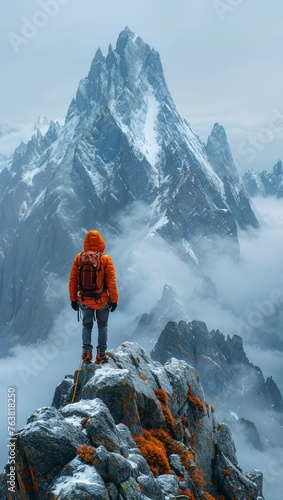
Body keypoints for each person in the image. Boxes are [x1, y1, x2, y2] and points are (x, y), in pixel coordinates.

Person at [69, 230, 118, 363]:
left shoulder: (79, 258)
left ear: (86, 243)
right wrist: (114, 300)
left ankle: (87, 353)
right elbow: (111, 283)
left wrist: (73, 299)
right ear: (101, 242)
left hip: (84, 300)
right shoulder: (105, 259)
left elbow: (73, 280)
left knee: (87, 326)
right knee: (102, 326)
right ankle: (101, 354)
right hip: (102, 300)